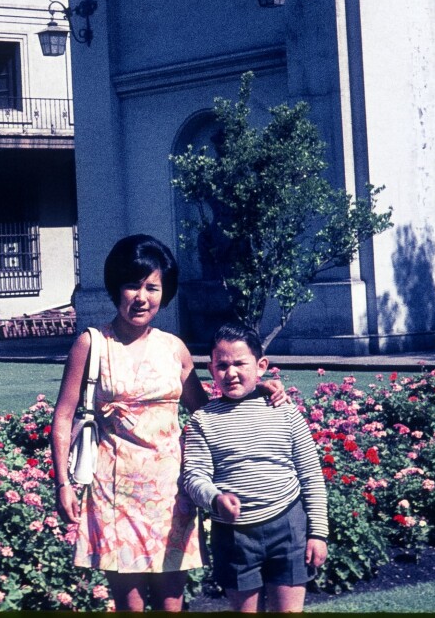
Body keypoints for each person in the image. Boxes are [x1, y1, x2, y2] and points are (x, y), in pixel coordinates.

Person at [49, 234, 284, 612]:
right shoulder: (91, 344)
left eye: (152, 287)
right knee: (130, 603)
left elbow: (207, 410)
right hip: (114, 493)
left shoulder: (173, 348)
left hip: (171, 494)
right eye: (132, 285)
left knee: (172, 601)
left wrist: (256, 389)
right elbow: (63, 417)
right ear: (116, 288)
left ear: (164, 292)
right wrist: (63, 483)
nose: (141, 297)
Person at [181, 323, 328, 613]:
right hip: (234, 535)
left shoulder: (284, 411)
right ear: (211, 370)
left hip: (288, 525)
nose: (231, 372)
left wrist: (318, 533)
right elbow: (194, 475)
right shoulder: (203, 420)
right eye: (222, 365)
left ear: (261, 366)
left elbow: (311, 475)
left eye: (239, 363)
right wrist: (215, 499)